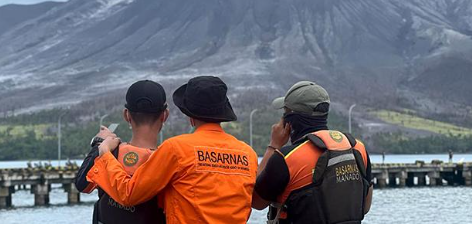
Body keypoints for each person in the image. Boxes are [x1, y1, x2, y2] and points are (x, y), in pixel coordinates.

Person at [86, 76, 258, 224]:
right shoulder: (248, 154)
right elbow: (255, 201)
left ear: (190, 116)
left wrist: (105, 153)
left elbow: (128, 194)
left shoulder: (177, 149)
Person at [252, 81, 373, 224]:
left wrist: (274, 145)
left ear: (290, 119)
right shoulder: (358, 148)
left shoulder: (286, 158)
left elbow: (256, 202)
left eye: (285, 113)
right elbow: (365, 207)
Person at [75, 80, 169, 224]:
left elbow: (82, 184)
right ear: (164, 116)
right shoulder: (168, 160)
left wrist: (98, 144)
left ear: (126, 115)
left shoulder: (111, 152)